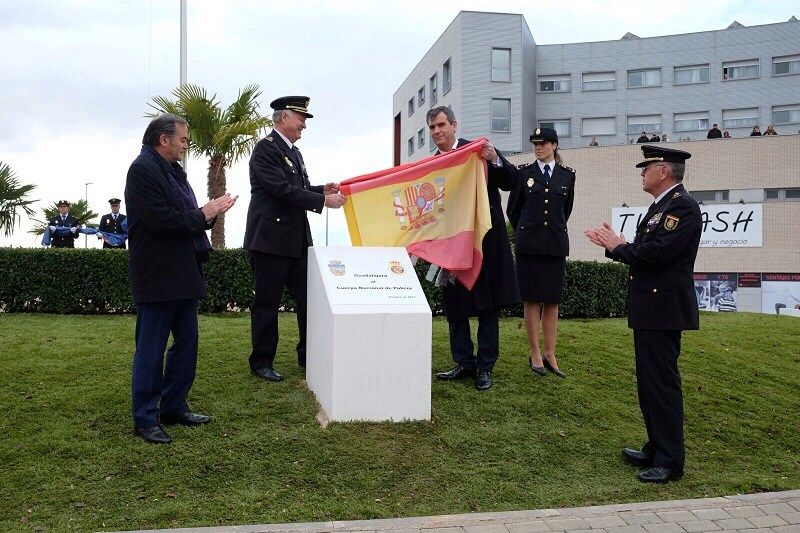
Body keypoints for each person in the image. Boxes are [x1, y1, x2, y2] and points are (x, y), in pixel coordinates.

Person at [584, 144, 701, 483]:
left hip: (664, 309)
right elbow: (646, 250)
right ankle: (656, 447)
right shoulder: (660, 207)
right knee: (649, 384)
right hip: (651, 308)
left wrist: (619, 247)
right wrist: (619, 246)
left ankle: (670, 461)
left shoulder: (682, 206)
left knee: (662, 384)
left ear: (664, 170)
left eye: (647, 167)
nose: (642, 173)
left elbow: (659, 253)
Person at [125, 113, 237, 444]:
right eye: (183, 139)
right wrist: (204, 213)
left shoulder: (173, 170)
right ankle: (145, 418)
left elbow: (186, 216)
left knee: (187, 343)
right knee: (151, 349)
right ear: (164, 139)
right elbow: (162, 220)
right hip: (158, 275)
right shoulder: (142, 170)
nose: (186, 145)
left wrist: (210, 212)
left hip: (184, 271)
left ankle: (174, 406)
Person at [244, 96, 346, 383]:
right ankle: (261, 361)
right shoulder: (265, 149)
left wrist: (320, 189)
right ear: (284, 117)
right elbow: (280, 189)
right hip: (270, 241)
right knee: (267, 303)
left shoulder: (294, 152)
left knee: (308, 299)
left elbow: (297, 187)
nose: (304, 125)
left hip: (296, 240)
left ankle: (308, 355)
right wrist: (323, 201)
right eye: (301, 118)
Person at [427, 106, 520, 391]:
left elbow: (511, 181)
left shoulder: (479, 150)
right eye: (432, 127)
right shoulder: (430, 165)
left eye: (441, 125)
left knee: (487, 305)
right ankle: (464, 362)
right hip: (451, 245)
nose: (436, 131)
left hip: (485, 242)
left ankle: (485, 367)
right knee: (455, 307)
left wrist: (495, 159)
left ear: (454, 125)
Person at [506, 128, 575, 379]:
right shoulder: (524, 173)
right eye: (535, 143)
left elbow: (565, 210)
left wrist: (549, 231)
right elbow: (513, 210)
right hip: (529, 246)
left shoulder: (568, 175)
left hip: (555, 245)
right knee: (532, 299)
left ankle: (550, 353)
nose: (538, 147)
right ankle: (535, 352)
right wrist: (529, 230)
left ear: (554, 145)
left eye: (543, 143)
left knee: (552, 300)